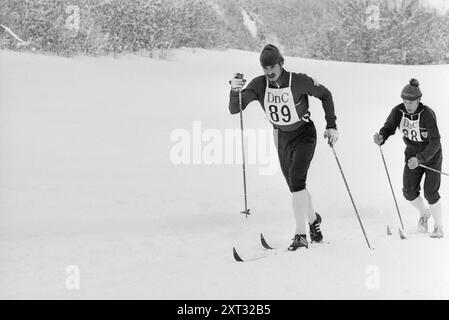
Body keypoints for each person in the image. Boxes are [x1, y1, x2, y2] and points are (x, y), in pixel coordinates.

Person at [228, 44, 338, 250]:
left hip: (305, 134)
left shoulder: (298, 81)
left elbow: (326, 94)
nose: (269, 72)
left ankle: (300, 235)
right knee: (296, 187)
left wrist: (331, 125)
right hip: (281, 138)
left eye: (273, 67)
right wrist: (235, 92)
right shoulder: (260, 85)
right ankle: (314, 221)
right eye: (265, 68)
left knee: (297, 179)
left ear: (281, 64)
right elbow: (236, 109)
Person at [374, 78, 444, 238]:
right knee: (409, 192)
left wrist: (421, 159)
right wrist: (381, 137)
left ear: (419, 100)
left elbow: (435, 142)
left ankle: (439, 227)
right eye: (405, 102)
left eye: (411, 102)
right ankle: (424, 214)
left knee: (430, 193)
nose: (408, 105)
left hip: (431, 156)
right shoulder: (398, 111)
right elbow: (388, 128)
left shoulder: (427, 114)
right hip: (411, 155)